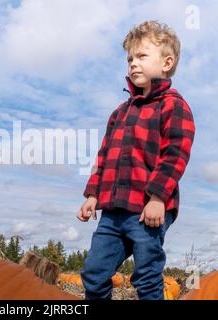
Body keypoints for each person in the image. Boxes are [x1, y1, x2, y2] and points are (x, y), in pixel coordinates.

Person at [76, 20, 196, 300]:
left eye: (142, 56)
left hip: (147, 211)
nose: (133, 63)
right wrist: (93, 194)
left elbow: (176, 154)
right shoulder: (120, 113)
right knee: (94, 273)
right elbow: (104, 156)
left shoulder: (173, 106)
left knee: (147, 276)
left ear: (167, 62)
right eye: (130, 58)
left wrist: (157, 198)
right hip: (112, 211)